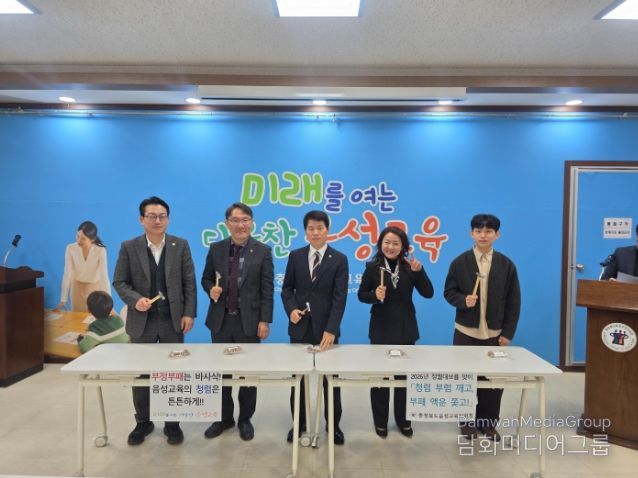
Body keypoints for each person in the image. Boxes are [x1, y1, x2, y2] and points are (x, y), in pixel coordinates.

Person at [113, 196, 196, 446]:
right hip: (142, 321)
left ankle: (172, 424)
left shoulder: (180, 245)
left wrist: (188, 313)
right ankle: (143, 422)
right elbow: (119, 281)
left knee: (173, 374)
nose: (157, 220)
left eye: (162, 216)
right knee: (142, 375)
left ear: (168, 219)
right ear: (142, 219)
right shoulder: (129, 247)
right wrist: (135, 299)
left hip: (172, 320)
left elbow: (189, 283)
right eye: (152, 216)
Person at [444, 214, 521, 442]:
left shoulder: (506, 265)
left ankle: (488, 423)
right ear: (471, 234)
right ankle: (466, 422)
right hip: (466, 332)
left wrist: (507, 333)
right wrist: (463, 300)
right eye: (478, 231)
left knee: (493, 382)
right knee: (464, 379)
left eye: (488, 231)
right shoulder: (460, 262)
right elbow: (449, 292)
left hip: (494, 334)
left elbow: (514, 301)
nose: (483, 235)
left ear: (497, 234)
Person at [201, 202, 274, 441]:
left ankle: (245, 419)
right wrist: (211, 289)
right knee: (219, 373)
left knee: (248, 375)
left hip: (249, 322)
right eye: (235, 220)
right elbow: (206, 278)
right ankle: (224, 418)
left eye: (245, 220)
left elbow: (267, 289)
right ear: (227, 224)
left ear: (251, 222)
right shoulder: (216, 248)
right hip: (221, 321)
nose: (240, 225)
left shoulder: (263, 251)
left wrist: (265, 320)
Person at [357, 226, 433, 439]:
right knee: (380, 379)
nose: (390, 247)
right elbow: (361, 295)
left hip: (405, 327)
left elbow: (428, 293)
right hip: (381, 327)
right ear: (380, 244)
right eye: (387, 242)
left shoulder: (410, 267)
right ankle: (380, 422)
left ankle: (404, 421)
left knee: (405, 379)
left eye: (395, 243)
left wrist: (420, 272)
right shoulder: (372, 267)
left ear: (403, 247)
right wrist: (375, 295)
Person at [282, 210, 349, 445]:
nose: (316, 232)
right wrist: (291, 309)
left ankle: (334, 426)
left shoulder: (339, 259)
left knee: (331, 381)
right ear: (305, 231)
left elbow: (340, 298)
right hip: (299, 328)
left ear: (327, 230)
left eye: (320, 228)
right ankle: (299, 424)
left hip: (326, 331)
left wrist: (331, 329)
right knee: (298, 381)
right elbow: (287, 289)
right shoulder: (296, 256)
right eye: (311, 228)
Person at [56, 221, 110, 312]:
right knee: (76, 317)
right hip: (76, 288)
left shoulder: (100, 251)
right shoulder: (70, 248)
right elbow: (67, 274)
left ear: (92, 239)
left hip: (94, 289)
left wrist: (108, 301)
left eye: (83, 239)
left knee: (93, 317)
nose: (78, 241)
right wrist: (63, 300)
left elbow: (104, 276)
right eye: (77, 236)